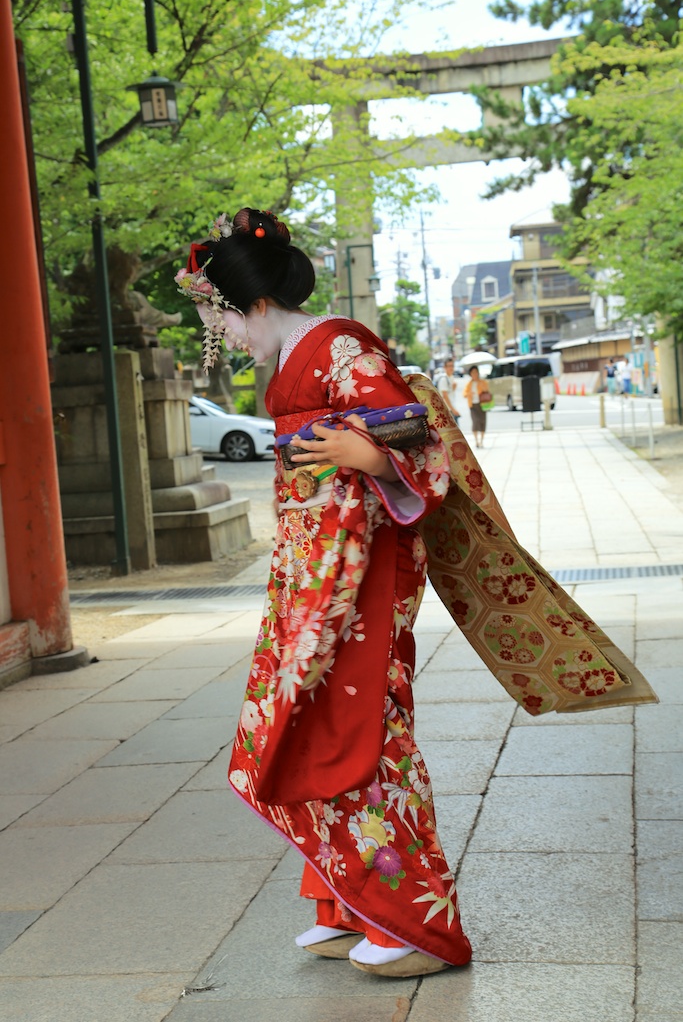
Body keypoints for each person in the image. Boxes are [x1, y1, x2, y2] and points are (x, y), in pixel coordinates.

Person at [175, 208, 472, 977]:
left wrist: (365, 453)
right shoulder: (296, 358)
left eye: (224, 320)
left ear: (261, 306)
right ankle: (350, 901)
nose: (225, 337)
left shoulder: (341, 348)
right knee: (310, 724)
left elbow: (422, 444)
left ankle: (417, 922)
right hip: (313, 574)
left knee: (362, 733)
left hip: (361, 575)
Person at [462, 364, 488, 448]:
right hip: (473, 405)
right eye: (473, 372)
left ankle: (482, 441)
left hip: (482, 404)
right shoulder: (469, 384)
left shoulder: (482, 382)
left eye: (476, 372)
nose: (474, 374)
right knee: (475, 422)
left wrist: (480, 387)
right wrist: (470, 393)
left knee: (482, 422)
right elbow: (464, 394)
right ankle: (476, 441)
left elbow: (486, 390)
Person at [435, 357, 461, 423]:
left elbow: (450, 393)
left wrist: (454, 387)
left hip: (450, 409)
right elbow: (445, 395)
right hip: (447, 411)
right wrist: (453, 410)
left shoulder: (451, 377)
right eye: (449, 366)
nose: (451, 368)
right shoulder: (443, 379)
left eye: (452, 366)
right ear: (445, 367)